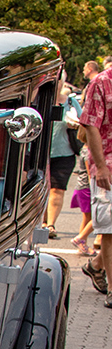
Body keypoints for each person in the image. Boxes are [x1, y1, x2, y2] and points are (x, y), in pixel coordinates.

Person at [79, 61, 112, 306]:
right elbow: (90, 124)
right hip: (108, 166)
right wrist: (100, 166)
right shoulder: (101, 82)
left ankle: (96, 265)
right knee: (109, 229)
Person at [45, 83, 82, 239]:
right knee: (42, 189)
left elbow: (83, 125)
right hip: (40, 153)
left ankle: (50, 224)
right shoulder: (41, 99)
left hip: (64, 153)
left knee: (57, 189)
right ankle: (41, 221)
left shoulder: (71, 103)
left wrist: (75, 125)